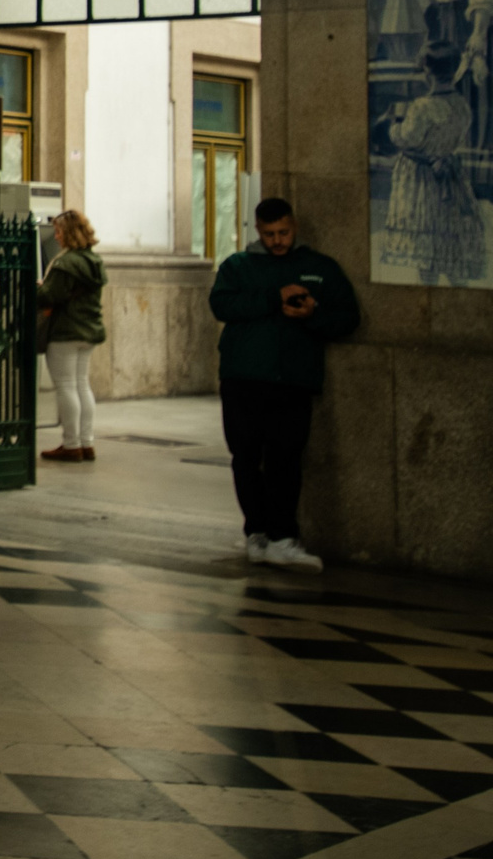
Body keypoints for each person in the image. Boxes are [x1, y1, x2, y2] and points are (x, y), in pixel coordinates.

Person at [208, 198, 361, 574]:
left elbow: (348, 318)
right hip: (243, 378)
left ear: (295, 227)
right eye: (269, 234)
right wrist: (273, 297)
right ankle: (256, 533)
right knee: (245, 458)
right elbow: (222, 306)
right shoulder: (238, 266)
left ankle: (282, 537)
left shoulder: (319, 267)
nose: (277, 241)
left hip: (292, 380)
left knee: (285, 459)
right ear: (257, 231)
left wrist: (313, 314)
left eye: (284, 233)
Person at [381, 44, 487, 283]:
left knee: (426, 239)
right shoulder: (461, 104)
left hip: (422, 178)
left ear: (427, 72)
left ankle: (428, 285)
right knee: (448, 236)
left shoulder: (422, 106)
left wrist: (392, 125)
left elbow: (407, 138)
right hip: (450, 174)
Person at [36, 210, 109, 464]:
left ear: (69, 233)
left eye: (58, 232)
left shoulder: (66, 263)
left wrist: (37, 288)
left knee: (66, 386)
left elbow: (49, 296)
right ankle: (86, 443)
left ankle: (71, 445)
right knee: (81, 385)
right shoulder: (94, 260)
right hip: (89, 330)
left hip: (66, 331)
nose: (56, 236)